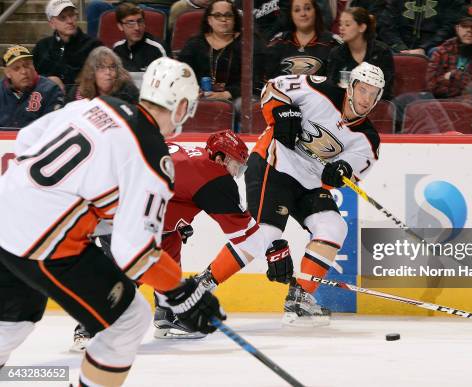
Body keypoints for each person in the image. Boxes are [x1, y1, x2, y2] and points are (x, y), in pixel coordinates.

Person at [0, 57, 224, 386]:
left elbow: (27, 139)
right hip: (42, 237)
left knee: (14, 316)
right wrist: (180, 291)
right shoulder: (152, 156)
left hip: (6, 207)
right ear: (182, 107)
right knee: (130, 319)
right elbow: (134, 253)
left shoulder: (97, 105)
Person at [70, 130, 294, 347]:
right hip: (119, 213)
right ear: (220, 157)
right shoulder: (215, 176)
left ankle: (168, 314)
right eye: (236, 165)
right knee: (131, 273)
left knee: (169, 251)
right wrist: (272, 247)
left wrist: (177, 220)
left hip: (124, 202)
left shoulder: (195, 157)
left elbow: (174, 191)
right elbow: (248, 238)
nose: (236, 173)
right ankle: (89, 326)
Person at [247, 62, 384, 326]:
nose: (366, 98)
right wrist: (282, 113)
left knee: (334, 227)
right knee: (265, 234)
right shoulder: (319, 89)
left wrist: (340, 172)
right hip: (279, 164)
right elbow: (272, 88)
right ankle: (201, 287)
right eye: (362, 89)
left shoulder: (369, 139)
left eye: (373, 93)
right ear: (351, 86)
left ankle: (300, 297)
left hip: (308, 183)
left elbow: (347, 176)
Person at [178, 0, 266, 101]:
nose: (223, 19)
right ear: (209, 20)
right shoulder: (194, 43)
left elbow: (255, 79)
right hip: (200, 95)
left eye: (228, 15)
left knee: (241, 104)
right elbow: (183, 74)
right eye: (217, 15)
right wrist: (194, 90)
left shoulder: (249, 42)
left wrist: (227, 94)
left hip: (237, 96)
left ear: (235, 19)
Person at [426, 5, 472, 99]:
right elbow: (432, 86)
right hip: (443, 104)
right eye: (464, 26)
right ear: (457, 28)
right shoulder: (444, 49)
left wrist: (453, 75)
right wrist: (466, 85)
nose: (469, 30)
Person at [326, 7, 395, 100]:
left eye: (347, 24)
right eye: (340, 24)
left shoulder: (381, 52)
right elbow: (330, 88)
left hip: (375, 106)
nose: (341, 28)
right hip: (343, 106)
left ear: (362, 27)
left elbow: (385, 90)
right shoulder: (336, 53)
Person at [33, 0, 103, 89]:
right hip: (48, 98)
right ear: (52, 24)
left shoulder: (94, 45)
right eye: (62, 17)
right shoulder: (41, 47)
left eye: (72, 15)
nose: (70, 21)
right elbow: (31, 76)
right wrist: (48, 81)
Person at [265, 0, 342, 79]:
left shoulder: (332, 43)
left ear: (316, 11)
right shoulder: (279, 42)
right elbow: (268, 83)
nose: (303, 14)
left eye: (308, 8)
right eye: (297, 10)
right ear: (291, 15)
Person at [0, 45, 64, 129]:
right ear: (7, 73)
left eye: (27, 65)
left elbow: (54, 128)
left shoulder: (50, 90)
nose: (24, 71)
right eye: (16, 68)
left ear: (33, 66)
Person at [376, 0, 464, 56]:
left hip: (432, 47)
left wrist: (424, 48)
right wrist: (401, 48)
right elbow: (386, 25)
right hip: (399, 46)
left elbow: (448, 27)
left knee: (437, 52)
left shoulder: (450, 2)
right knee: (380, 51)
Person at [66, 46, 140, 104]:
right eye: (101, 67)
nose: (108, 72)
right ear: (91, 72)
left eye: (112, 67)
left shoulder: (128, 91)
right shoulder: (78, 91)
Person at [113, 2, 167, 73]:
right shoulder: (117, 49)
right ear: (120, 26)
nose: (137, 28)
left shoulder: (157, 48)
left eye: (140, 21)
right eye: (130, 23)